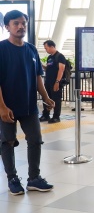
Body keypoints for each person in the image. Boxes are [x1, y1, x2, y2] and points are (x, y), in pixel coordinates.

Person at [0, 10, 55, 195]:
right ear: (7, 26)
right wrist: (1, 107)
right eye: (16, 23)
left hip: (29, 105)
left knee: (35, 140)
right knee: (8, 142)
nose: (21, 26)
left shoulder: (31, 49)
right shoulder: (1, 49)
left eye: (24, 23)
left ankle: (34, 178)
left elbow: (38, 76)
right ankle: (12, 178)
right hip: (6, 107)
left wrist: (46, 97)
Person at [39, 39, 67, 123]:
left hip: (56, 82)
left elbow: (61, 70)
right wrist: (41, 65)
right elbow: (49, 69)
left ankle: (56, 116)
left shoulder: (60, 56)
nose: (45, 50)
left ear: (52, 47)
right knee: (46, 98)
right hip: (48, 82)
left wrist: (57, 82)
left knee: (56, 99)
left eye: (46, 48)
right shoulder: (49, 57)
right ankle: (46, 115)